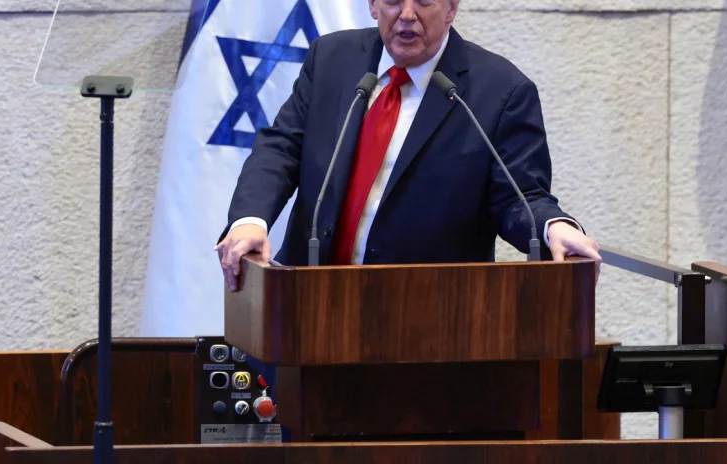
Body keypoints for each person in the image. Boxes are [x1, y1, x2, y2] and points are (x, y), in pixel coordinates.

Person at [215, 0, 600, 291]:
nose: (407, 15)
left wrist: (553, 226)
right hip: (308, 302)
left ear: (451, 7)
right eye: (394, 0)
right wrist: (251, 219)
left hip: (426, 318)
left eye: (425, 1)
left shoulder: (500, 92)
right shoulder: (331, 59)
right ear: (372, 5)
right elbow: (282, 147)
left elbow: (519, 196)